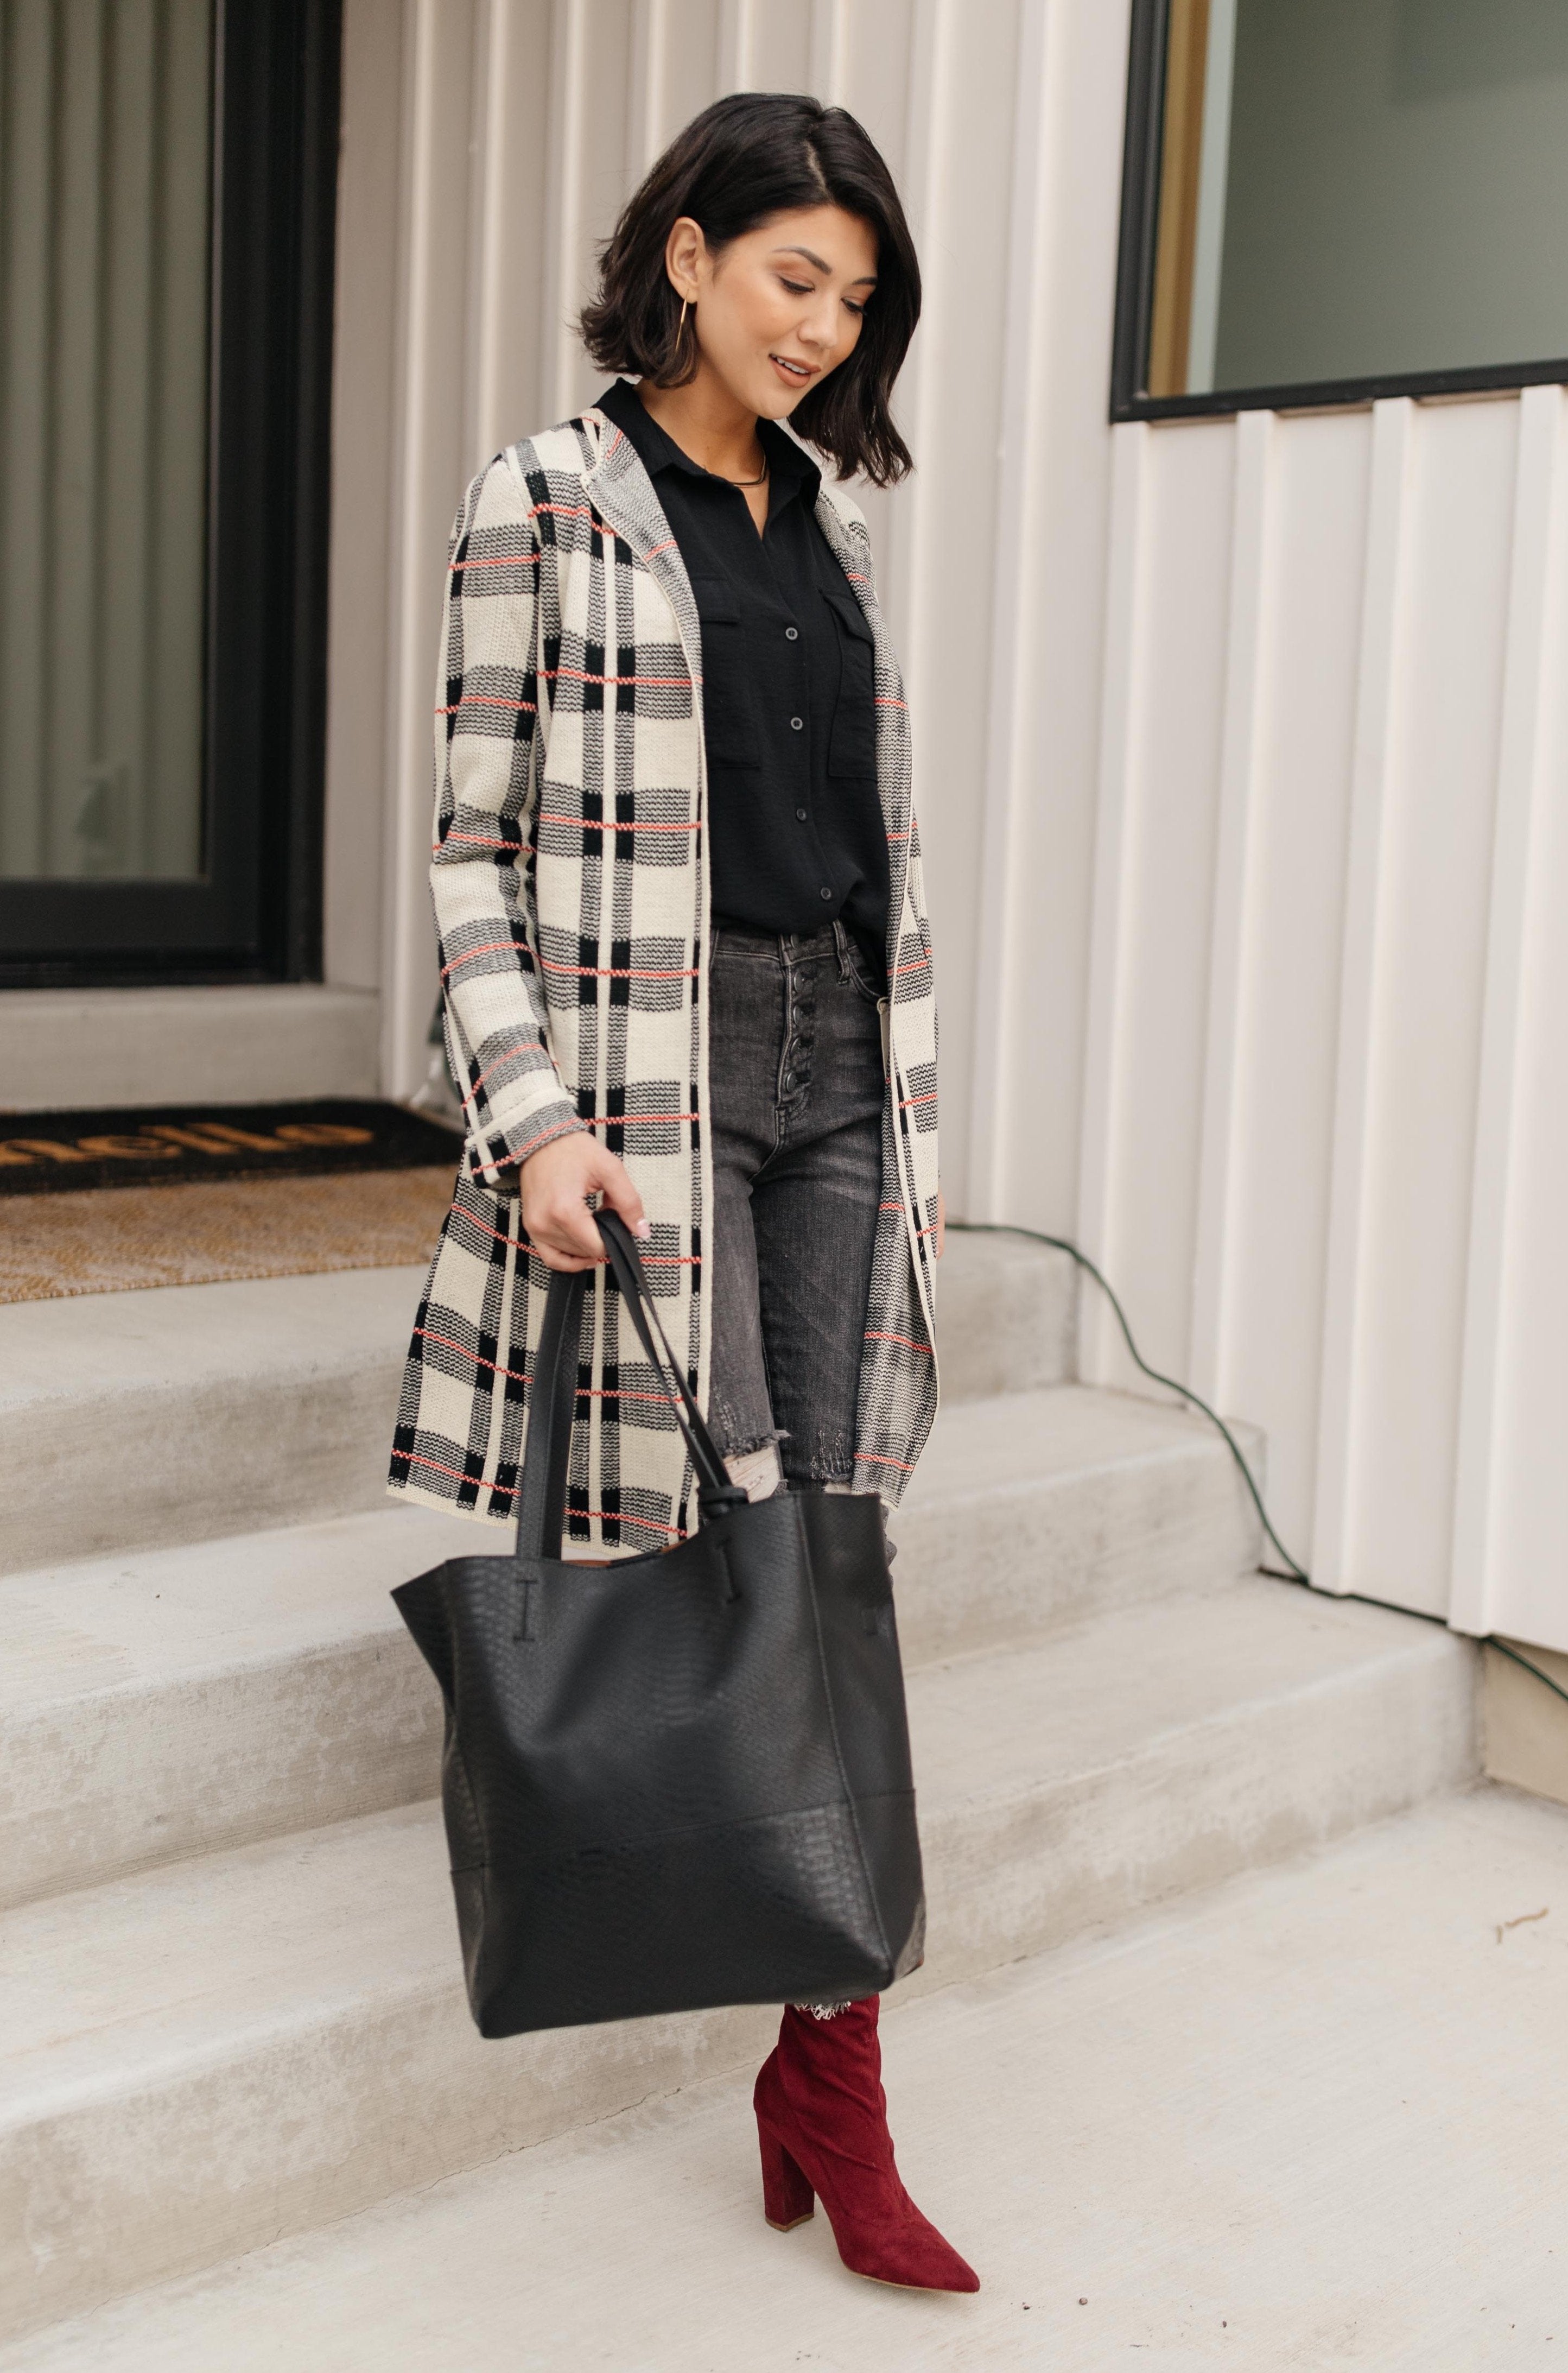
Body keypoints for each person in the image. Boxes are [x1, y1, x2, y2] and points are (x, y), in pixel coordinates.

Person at [389, 89, 973, 2295]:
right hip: (657, 1081)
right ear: (694, 254)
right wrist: (529, 1111)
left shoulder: (826, 523)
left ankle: (831, 2073)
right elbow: (467, 844)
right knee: (730, 1516)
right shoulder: (548, 494)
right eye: (794, 275)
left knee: (841, 1549)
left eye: (857, 295)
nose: (823, 326)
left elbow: (861, 849)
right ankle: (828, 2065)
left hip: (842, 1073)